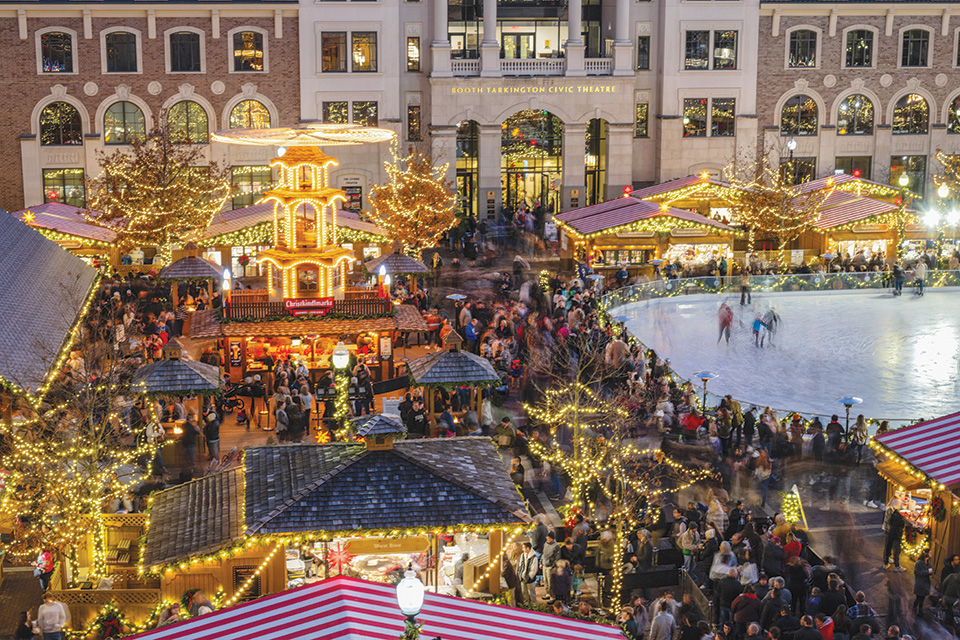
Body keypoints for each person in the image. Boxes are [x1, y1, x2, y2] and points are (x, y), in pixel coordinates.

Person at [882, 500, 906, 572]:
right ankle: (896, 566)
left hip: (889, 531)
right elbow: (900, 524)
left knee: (888, 547)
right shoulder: (894, 513)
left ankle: (886, 563)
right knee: (896, 549)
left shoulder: (889, 509)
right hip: (894, 533)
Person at [913, 548, 933, 615]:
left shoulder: (928, 562)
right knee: (919, 598)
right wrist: (927, 572)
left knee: (922, 598)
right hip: (920, 583)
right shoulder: (919, 562)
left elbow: (929, 569)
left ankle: (919, 610)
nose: (931, 554)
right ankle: (915, 609)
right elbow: (916, 572)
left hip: (925, 583)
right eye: (930, 553)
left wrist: (930, 572)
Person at [541, 532, 560, 599]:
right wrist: (541, 562)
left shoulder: (556, 546)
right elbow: (543, 554)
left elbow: (557, 557)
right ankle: (548, 594)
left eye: (548, 537)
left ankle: (553, 596)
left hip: (550, 566)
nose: (547, 538)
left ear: (551, 538)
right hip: (544, 565)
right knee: (545, 581)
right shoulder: (545, 544)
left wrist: (553, 566)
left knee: (550, 582)